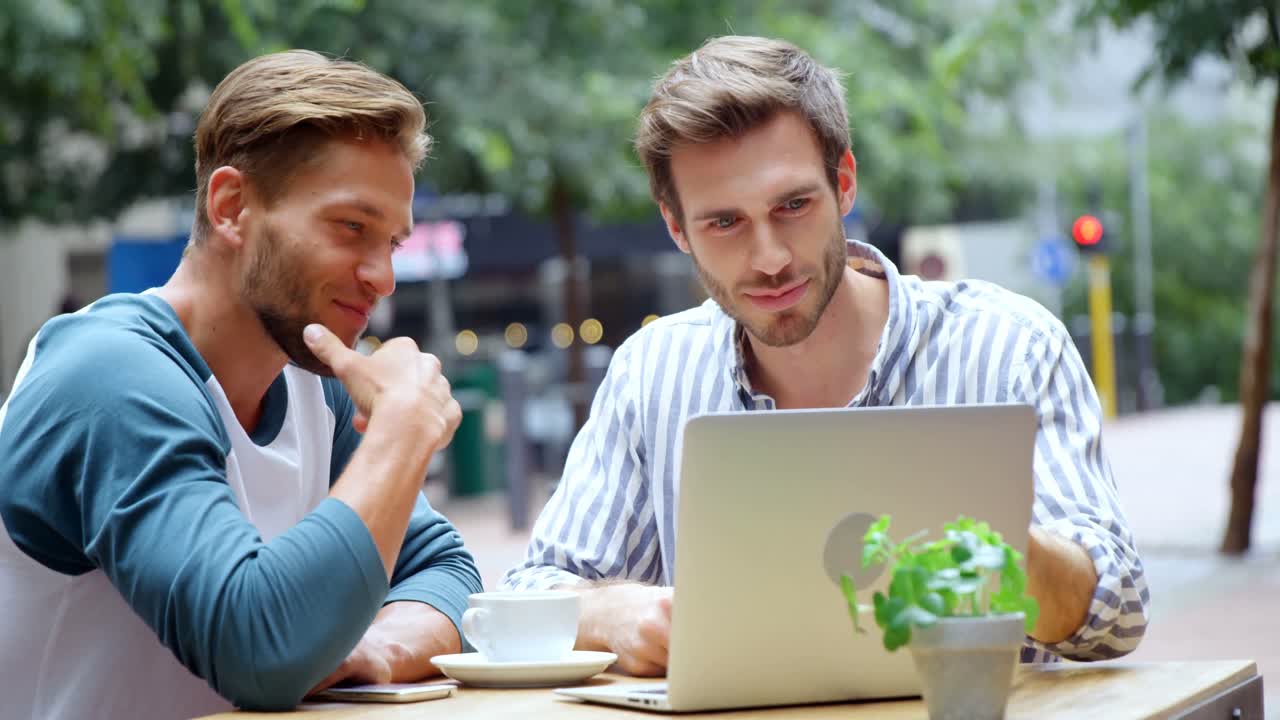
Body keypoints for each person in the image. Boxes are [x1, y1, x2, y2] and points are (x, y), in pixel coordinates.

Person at [502, 35, 1149, 675]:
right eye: (724, 223)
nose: (770, 258)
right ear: (676, 227)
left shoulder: (1008, 345)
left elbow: (1116, 612)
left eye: (793, 206)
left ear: (843, 184)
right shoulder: (652, 373)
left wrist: (1004, 547)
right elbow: (530, 591)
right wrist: (607, 613)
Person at [0, 50, 481, 719]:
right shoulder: (107, 377)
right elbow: (258, 651)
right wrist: (401, 431)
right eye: (352, 227)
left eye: (393, 242)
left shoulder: (316, 383)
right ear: (231, 208)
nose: (383, 276)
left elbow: (446, 570)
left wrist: (377, 648)